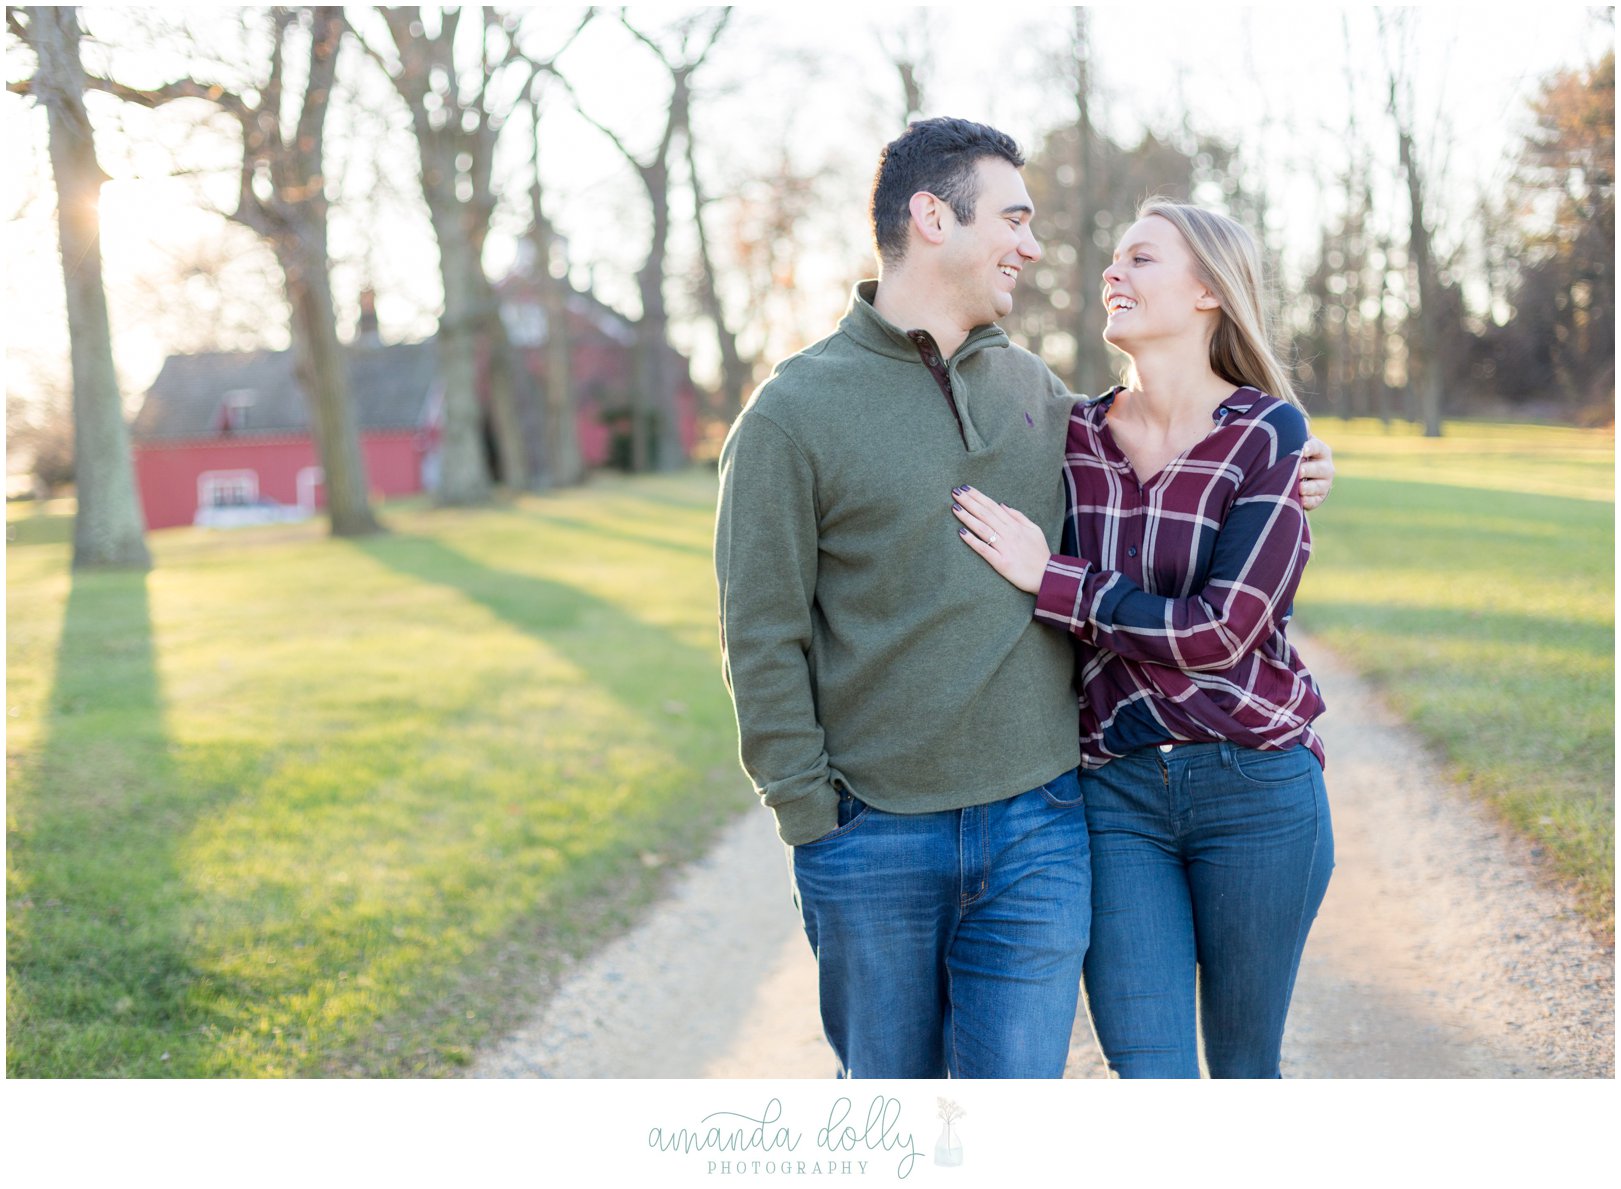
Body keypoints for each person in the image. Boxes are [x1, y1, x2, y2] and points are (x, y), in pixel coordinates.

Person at [714, 120, 1334, 1079]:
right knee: (896, 1116)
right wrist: (810, 814)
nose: (1036, 247)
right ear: (931, 217)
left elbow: (1202, 527)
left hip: (1048, 822)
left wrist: (1299, 459)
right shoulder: (806, 412)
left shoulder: (1039, 399)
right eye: (1013, 217)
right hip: (884, 834)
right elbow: (759, 634)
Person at [950, 198, 1334, 1078]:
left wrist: (1053, 580)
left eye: (1140, 259)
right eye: (1113, 259)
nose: (1110, 274)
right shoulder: (1070, 432)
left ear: (1207, 290)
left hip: (1256, 786)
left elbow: (1224, 630)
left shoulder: (1267, 434)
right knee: (1149, 1076)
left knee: (1242, 1070)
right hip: (1116, 794)